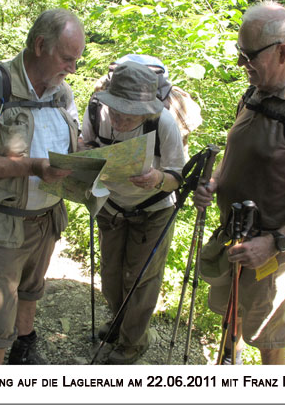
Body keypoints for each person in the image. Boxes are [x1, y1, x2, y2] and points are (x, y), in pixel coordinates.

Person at [194, 0, 285, 365]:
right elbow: (238, 160)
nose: (240, 64)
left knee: (269, 340)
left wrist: (274, 243)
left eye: (248, 56)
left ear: (282, 51)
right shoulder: (254, 94)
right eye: (239, 52)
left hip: (274, 256)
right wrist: (214, 183)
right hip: (235, 240)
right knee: (233, 320)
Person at [0, 9, 85, 365]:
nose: (73, 69)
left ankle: (24, 351)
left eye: (76, 60)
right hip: (1, 223)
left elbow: (73, 145)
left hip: (47, 218)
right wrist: (33, 167)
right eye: (67, 58)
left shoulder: (62, 93)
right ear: (40, 46)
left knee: (30, 291)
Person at [81, 61, 186, 364]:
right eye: (116, 111)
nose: (120, 121)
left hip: (153, 210)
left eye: (129, 116)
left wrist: (156, 179)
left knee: (141, 279)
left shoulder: (163, 123)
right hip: (110, 206)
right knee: (111, 275)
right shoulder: (96, 111)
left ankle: (133, 342)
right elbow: (85, 144)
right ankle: (118, 325)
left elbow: (177, 176)